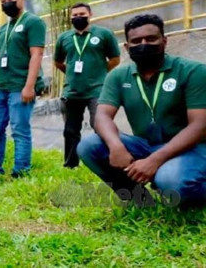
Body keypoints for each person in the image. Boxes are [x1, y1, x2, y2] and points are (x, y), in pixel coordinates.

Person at [77, 14, 206, 207]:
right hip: (147, 144)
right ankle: (141, 201)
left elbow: (200, 125)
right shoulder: (119, 75)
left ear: (164, 41)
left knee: (170, 182)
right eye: (136, 41)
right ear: (127, 47)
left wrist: (154, 160)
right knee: (89, 145)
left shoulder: (193, 71)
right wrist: (116, 146)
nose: (143, 44)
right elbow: (102, 116)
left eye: (151, 39)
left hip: (191, 148)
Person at [0, 0, 46, 180]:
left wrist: (29, 86)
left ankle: (21, 170)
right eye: (2, 1)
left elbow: (37, 55)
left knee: (19, 129)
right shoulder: (2, 30)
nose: (6, 3)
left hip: (20, 88)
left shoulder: (33, 23)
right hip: (2, 89)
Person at [53, 3, 121, 168]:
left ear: (90, 14)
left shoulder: (103, 34)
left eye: (81, 14)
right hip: (72, 91)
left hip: (97, 90)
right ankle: (70, 164)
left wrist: (99, 72)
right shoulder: (64, 38)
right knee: (70, 131)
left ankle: (106, 162)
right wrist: (70, 73)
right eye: (74, 15)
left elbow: (115, 59)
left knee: (101, 127)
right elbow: (58, 61)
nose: (78, 17)